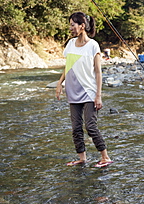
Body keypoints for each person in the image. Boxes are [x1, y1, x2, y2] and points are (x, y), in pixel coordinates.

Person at [55, 12, 112, 168]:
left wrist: (98, 95)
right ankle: (82, 158)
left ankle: (105, 157)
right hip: (73, 91)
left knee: (91, 126)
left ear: (82, 26)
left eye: (73, 24)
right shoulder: (71, 44)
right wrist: (60, 83)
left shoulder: (93, 45)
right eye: (70, 25)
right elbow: (68, 66)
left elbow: (98, 72)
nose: (70, 28)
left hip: (89, 91)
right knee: (76, 128)